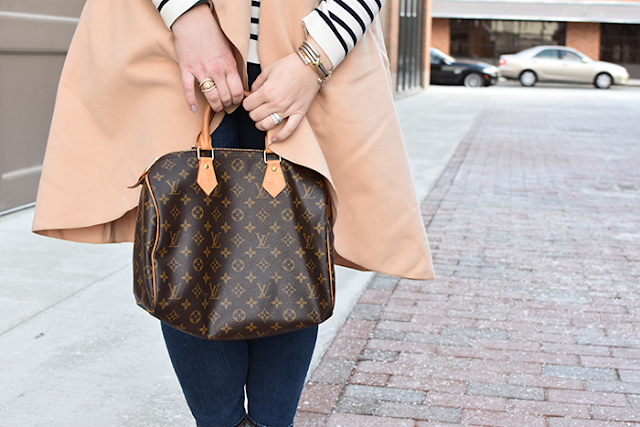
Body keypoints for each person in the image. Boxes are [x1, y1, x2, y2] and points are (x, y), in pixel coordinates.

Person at [32, 1, 434, 426]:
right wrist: (187, 17)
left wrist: (315, 57)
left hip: (303, 43)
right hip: (173, 36)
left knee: (289, 258)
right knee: (189, 252)